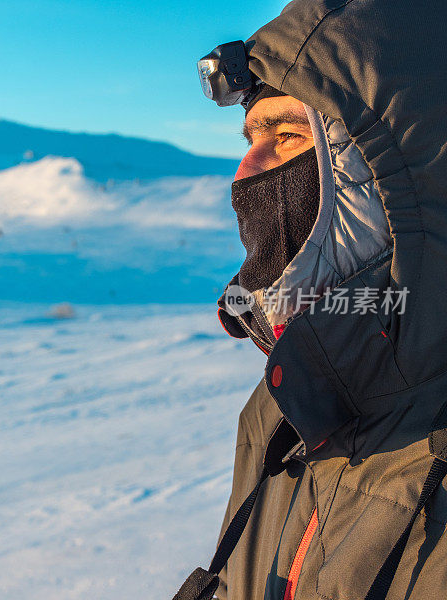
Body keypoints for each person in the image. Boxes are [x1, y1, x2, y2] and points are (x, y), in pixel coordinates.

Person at [173, 1, 447, 599]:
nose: (247, 172)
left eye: (289, 135)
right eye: (251, 137)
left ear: (405, 175)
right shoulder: (280, 414)